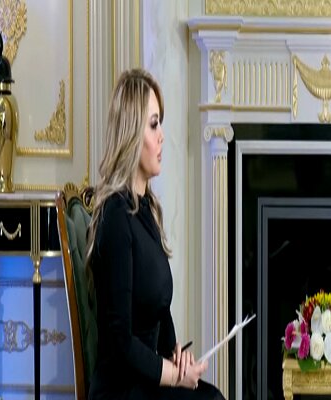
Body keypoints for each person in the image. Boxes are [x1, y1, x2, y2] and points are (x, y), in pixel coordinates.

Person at [86, 68, 224, 400]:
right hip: (122, 388)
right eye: (153, 124)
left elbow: (159, 308)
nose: (162, 135)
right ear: (131, 134)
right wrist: (174, 375)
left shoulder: (145, 208)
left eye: (160, 123)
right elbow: (120, 341)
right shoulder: (116, 217)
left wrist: (178, 355)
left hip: (147, 378)